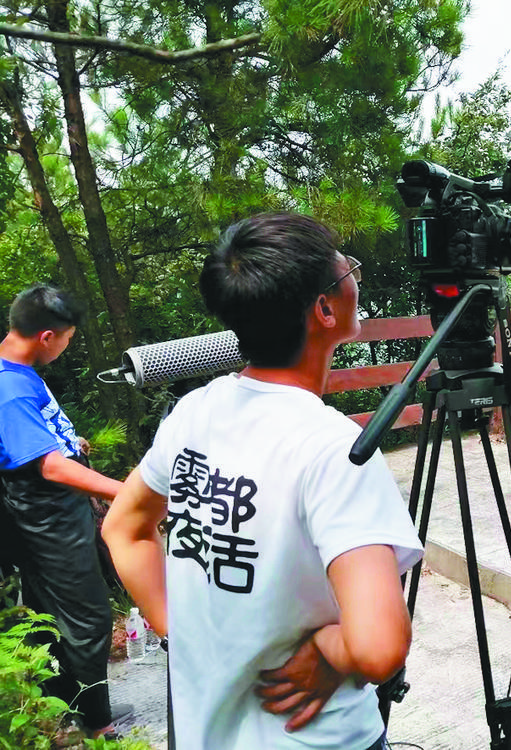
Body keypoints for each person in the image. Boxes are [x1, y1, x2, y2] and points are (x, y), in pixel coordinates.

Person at [103, 212, 423, 750]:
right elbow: (378, 648)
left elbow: (125, 528)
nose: (356, 278)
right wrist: (330, 649)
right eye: (350, 271)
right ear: (324, 308)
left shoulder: (193, 412)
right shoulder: (334, 449)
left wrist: (176, 633)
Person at [0, 284, 130, 739]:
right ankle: (98, 725)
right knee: (88, 616)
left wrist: (72, 444)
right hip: (46, 516)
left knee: (46, 611)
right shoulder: (9, 389)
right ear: (47, 337)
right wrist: (124, 492)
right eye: (69, 338)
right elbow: (48, 467)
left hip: (55, 508)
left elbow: (40, 443)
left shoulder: (14, 366)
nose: (68, 345)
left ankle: (63, 706)